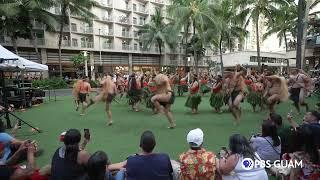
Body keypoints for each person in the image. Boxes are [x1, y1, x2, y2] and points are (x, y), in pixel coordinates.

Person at [108, 130, 173, 180]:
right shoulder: (164, 158)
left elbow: (110, 167)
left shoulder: (132, 160)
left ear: (140, 145)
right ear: (154, 145)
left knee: (120, 173)